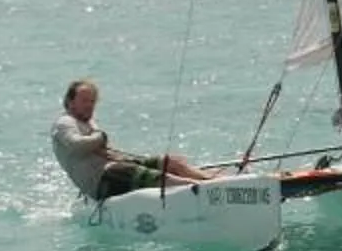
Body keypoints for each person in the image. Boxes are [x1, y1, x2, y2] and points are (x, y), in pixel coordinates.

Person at [52, 78, 219, 201]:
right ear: (70, 102)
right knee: (150, 175)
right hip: (101, 181)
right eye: (84, 101)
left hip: (116, 170)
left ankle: (211, 180)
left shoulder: (87, 122)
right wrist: (100, 136)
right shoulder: (64, 123)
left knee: (169, 162)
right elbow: (76, 145)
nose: (90, 105)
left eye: (92, 101)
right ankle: (198, 188)